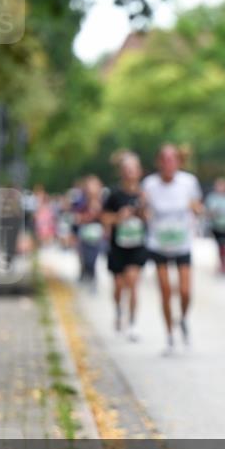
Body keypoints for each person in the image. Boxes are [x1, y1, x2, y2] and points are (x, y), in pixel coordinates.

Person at [143, 144, 203, 355]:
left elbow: (198, 207)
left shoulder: (188, 182)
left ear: (178, 161)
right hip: (158, 242)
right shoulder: (149, 184)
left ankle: (183, 319)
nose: (168, 163)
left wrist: (195, 209)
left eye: (172, 159)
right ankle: (169, 336)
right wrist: (142, 213)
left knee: (185, 291)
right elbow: (143, 209)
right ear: (159, 162)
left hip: (182, 242)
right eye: (165, 159)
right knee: (166, 292)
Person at [102, 151, 147, 341]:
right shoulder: (113, 194)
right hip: (118, 246)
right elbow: (104, 218)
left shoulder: (145, 194)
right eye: (126, 169)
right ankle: (119, 310)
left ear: (139, 171)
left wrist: (142, 211)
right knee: (119, 286)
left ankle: (133, 323)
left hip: (137, 245)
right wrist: (119, 217)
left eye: (133, 169)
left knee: (133, 283)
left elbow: (150, 218)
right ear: (121, 172)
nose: (130, 173)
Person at [74, 175, 105, 291]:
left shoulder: (103, 200)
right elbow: (76, 217)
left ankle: (93, 278)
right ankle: (85, 274)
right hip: (85, 234)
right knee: (85, 257)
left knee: (94, 259)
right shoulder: (81, 201)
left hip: (97, 235)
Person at [205, 178, 225, 274]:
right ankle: (222, 263)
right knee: (219, 245)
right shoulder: (212, 198)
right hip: (215, 225)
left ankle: (224, 263)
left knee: (224, 245)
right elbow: (208, 211)